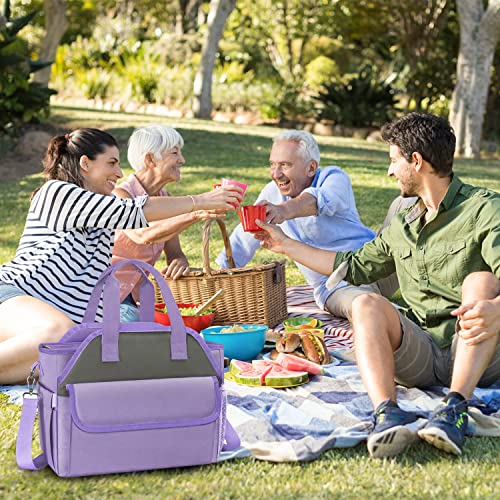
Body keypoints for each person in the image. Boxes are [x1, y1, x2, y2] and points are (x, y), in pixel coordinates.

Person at [254, 113, 499, 458]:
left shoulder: (484, 209)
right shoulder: (403, 220)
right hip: (423, 352)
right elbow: (350, 266)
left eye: (393, 160)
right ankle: (387, 413)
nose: (389, 171)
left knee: (481, 282)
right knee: (364, 304)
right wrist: (283, 244)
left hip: (476, 352)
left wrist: (496, 309)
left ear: (416, 161)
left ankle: (454, 410)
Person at [0, 128, 242, 384]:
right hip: (13, 296)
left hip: (53, 323)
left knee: (80, 357)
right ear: (85, 163)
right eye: (112, 163)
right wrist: (202, 200)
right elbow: (133, 212)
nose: (119, 172)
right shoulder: (57, 193)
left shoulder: (100, 216)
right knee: (60, 335)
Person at [216, 129, 392, 320]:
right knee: (366, 307)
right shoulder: (271, 193)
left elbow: (317, 200)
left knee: (403, 205)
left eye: (284, 165)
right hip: (336, 285)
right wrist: (217, 274)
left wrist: (283, 210)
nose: (276, 173)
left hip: (376, 264)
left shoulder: (334, 178)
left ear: (311, 168)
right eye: (273, 164)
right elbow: (242, 240)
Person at [111, 125, 222, 322]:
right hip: (109, 296)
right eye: (174, 153)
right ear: (150, 159)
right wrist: (196, 210)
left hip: (139, 299)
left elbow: (175, 253)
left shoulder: (165, 198)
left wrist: (180, 262)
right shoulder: (121, 195)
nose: (182, 160)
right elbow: (145, 234)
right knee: (143, 334)